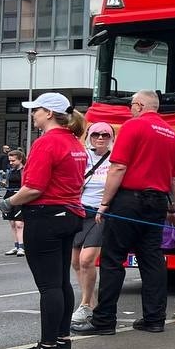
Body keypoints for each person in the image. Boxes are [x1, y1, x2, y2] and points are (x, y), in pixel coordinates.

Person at [74, 91, 175, 336]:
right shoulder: (172, 134)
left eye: (132, 106)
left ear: (139, 105)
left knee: (113, 259)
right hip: (157, 202)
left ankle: (104, 321)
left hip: (128, 200)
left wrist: (104, 203)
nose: (130, 110)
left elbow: (118, 167)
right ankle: (154, 318)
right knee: (152, 259)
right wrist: (172, 208)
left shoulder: (133, 126)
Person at [0, 94, 88, 349]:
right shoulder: (74, 142)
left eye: (35, 110)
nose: (33, 114)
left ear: (49, 113)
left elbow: (34, 187)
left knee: (49, 286)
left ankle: (47, 346)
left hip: (46, 217)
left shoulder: (46, 142)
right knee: (60, 281)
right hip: (69, 214)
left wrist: (8, 202)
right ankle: (61, 340)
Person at [70, 123, 114, 328]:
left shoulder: (116, 159)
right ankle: (91, 303)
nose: (101, 138)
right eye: (96, 134)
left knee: (87, 260)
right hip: (78, 212)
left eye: (105, 134)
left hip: (100, 215)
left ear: (111, 137)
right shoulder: (82, 156)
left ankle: (85, 304)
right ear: (89, 136)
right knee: (75, 262)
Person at [2, 149, 26, 256]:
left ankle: (22, 247)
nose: (11, 163)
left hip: (20, 196)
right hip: (9, 196)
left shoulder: (25, 170)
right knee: (12, 223)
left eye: (13, 161)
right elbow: (7, 183)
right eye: (10, 161)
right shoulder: (10, 171)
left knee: (19, 223)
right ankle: (16, 246)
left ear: (20, 160)